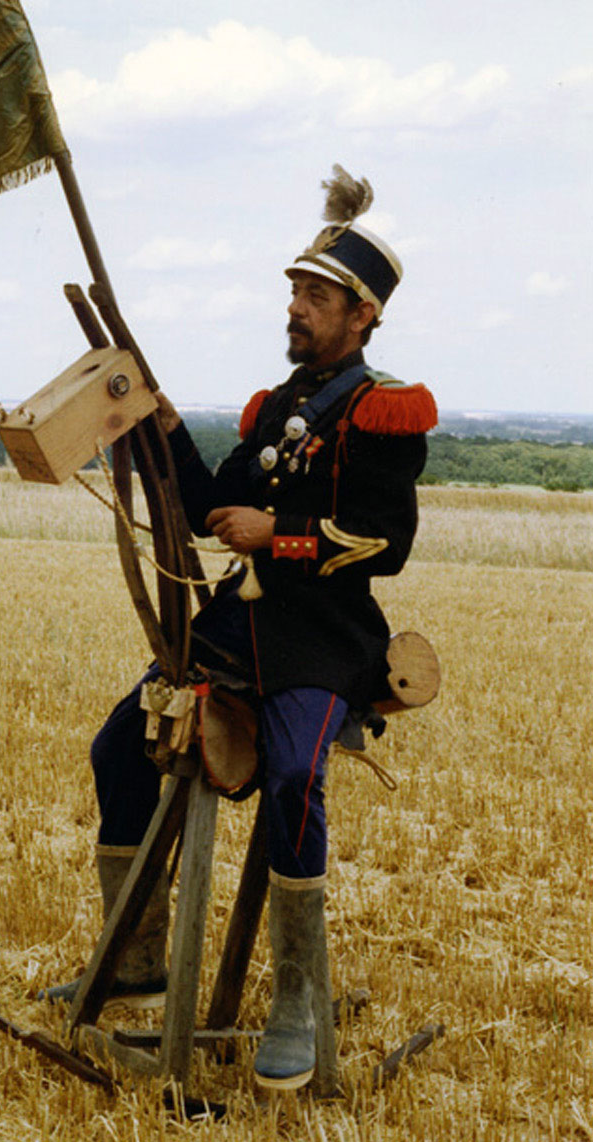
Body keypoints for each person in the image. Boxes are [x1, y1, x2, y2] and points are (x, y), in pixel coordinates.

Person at [45, 166, 438, 1093]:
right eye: (295, 291)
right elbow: (207, 508)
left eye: (315, 295)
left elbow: (385, 544)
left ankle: (295, 1002)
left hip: (323, 638)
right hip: (231, 636)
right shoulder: (275, 408)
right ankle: (139, 959)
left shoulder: (385, 408)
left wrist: (283, 538)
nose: (295, 308)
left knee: (296, 777)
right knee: (117, 748)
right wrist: (164, 427)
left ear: (362, 314)